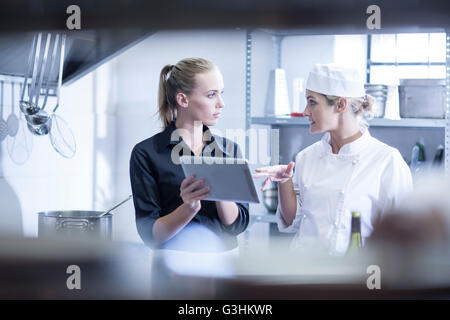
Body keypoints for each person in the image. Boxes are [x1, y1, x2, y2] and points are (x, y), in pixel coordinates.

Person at [253, 64, 413, 255]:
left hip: (356, 274)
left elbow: (404, 237)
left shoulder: (386, 161)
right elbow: (292, 222)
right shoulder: (306, 157)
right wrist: (285, 181)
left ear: (340, 105)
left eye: (312, 102)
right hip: (303, 271)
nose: (305, 111)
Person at [129, 57, 249, 252]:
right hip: (173, 266)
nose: (221, 103)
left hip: (224, 263)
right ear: (183, 99)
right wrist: (189, 208)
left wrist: (221, 191)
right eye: (211, 95)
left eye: (221, 93)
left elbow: (238, 225)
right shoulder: (146, 153)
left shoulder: (230, 150)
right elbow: (149, 235)